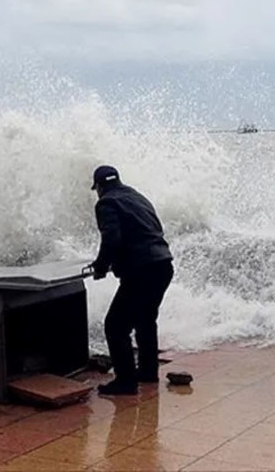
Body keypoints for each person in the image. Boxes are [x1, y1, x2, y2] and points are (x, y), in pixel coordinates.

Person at [88, 165, 173, 395]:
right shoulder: (137, 197)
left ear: (100, 187)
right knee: (146, 320)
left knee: (115, 326)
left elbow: (112, 239)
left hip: (142, 271)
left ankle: (125, 382)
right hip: (163, 265)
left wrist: (101, 266)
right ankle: (147, 371)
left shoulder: (106, 203)